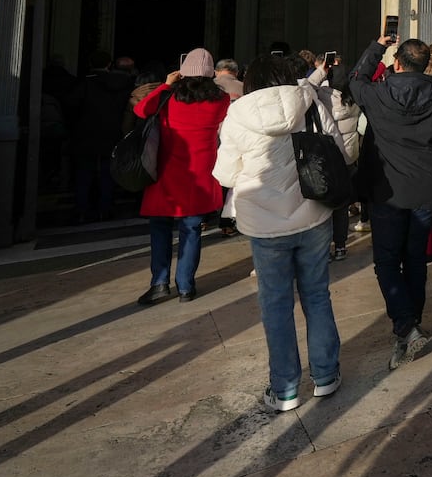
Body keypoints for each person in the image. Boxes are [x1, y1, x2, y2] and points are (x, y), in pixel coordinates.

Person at [211, 54, 345, 411]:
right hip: (313, 213)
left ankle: (285, 388)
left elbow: (224, 175)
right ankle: (326, 375)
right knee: (317, 296)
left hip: (265, 224)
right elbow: (341, 153)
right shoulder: (311, 104)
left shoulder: (236, 116)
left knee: (276, 305)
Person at [351, 34, 432, 369]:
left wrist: (375, 45)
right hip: (426, 189)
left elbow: (355, 79)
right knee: (415, 260)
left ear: (397, 63)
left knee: (386, 262)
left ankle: (405, 324)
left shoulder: (378, 93)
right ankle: (410, 322)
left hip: (389, 193)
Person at [132, 49, 230, 305]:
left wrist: (165, 84)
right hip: (201, 171)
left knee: (160, 228)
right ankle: (186, 285)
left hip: (167, 170)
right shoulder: (221, 100)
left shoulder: (169, 96)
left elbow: (141, 110)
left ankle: (159, 283)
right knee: (192, 229)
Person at [69, 51, 133, 223]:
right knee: (108, 172)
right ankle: (105, 209)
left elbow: (72, 106)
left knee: (84, 173)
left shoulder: (85, 83)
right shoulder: (124, 83)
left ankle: (82, 210)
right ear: (109, 64)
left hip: (86, 133)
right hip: (112, 132)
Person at [323, 57, 362, 261]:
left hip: (329, 157)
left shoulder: (324, 97)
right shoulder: (354, 98)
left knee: (325, 205)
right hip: (348, 156)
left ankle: (326, 246)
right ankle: (340, 246)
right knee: (342, 206)